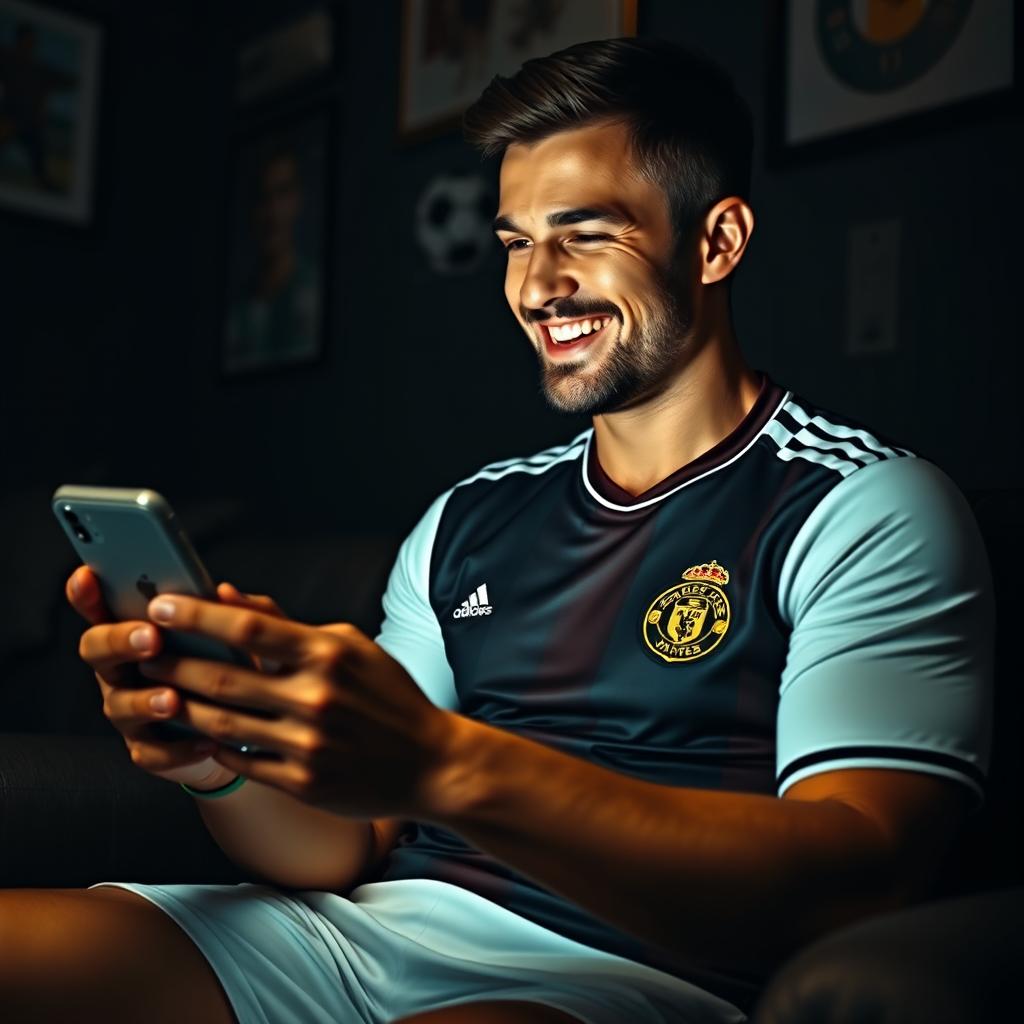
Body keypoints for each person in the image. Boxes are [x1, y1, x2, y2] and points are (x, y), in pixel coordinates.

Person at [3, 36, 992, 1024]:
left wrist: (444, 759)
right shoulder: (466, 517)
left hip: (617, 975)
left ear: (716, 241)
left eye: (585, 233)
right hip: (354, 936)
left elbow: (858, 875)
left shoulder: (861, 506)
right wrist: (220, 760)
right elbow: (343, 844)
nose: (535, 286)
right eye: (517, 241)